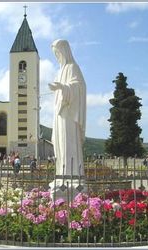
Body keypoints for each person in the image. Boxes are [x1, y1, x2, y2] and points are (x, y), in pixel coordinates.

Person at [48, 39, 86, 198]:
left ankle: (73, 176)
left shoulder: (72, 67)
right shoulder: (59, 71)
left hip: (69, 115)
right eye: (55, 54)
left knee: (69, 143)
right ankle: (61, 175)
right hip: (59, 114)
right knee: (60, 145)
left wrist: (62, 88)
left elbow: (79, 87)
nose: (57, 56)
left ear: (64, 51)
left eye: (58, 52)